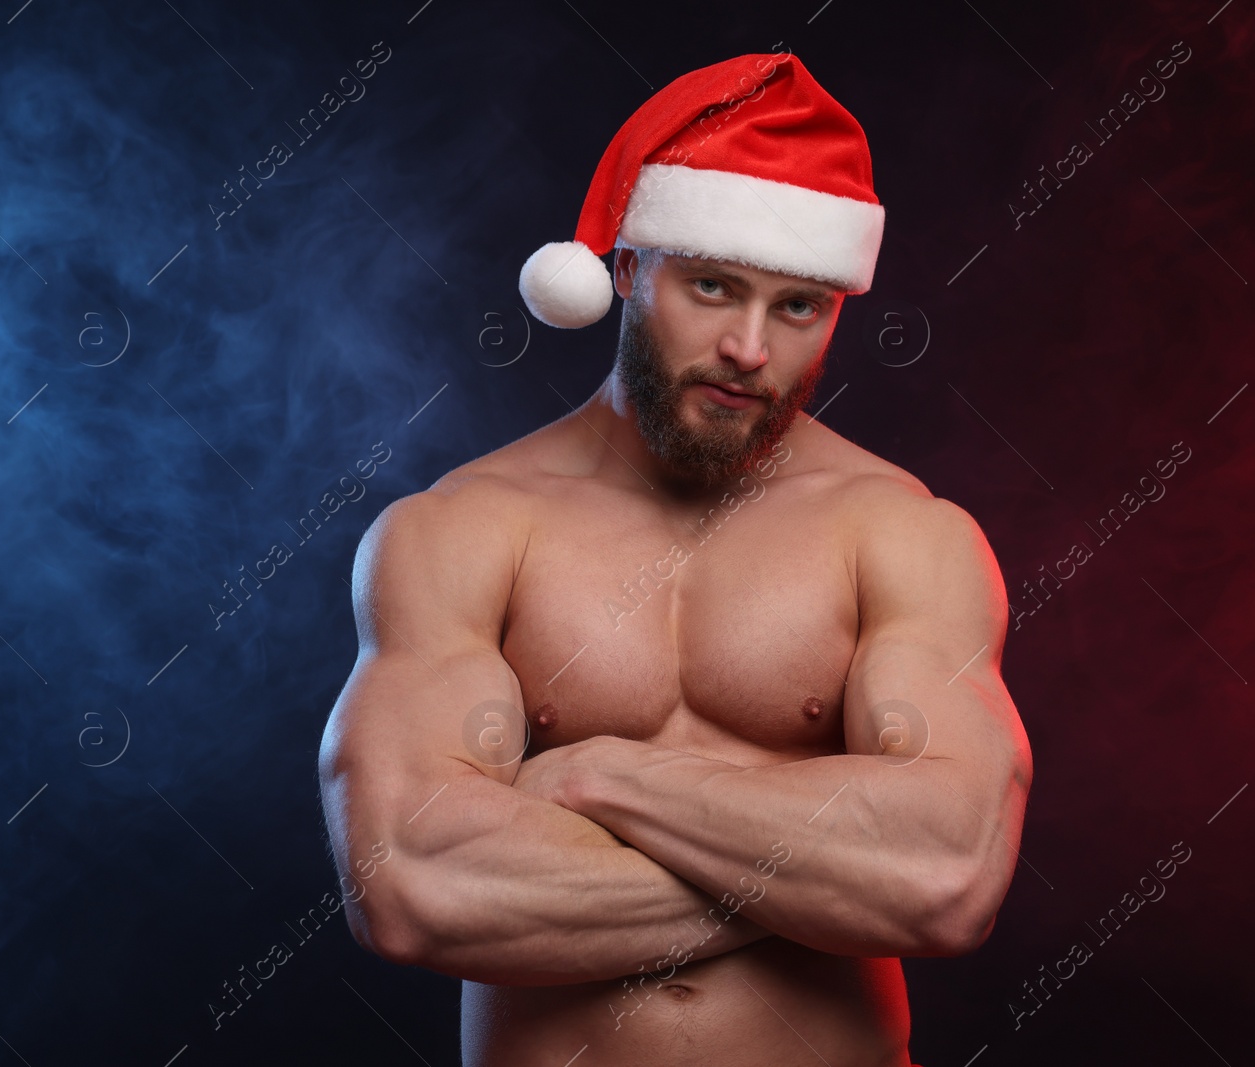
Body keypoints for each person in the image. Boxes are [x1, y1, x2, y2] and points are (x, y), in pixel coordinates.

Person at [318, 51, 1032, 1066]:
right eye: (712, 284)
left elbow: (945, 875)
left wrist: (598, 775)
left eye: (799, 306)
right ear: (623, 267)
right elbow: (409, 884)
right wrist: (824, 875)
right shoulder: (463, 528)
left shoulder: (903, 533)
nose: (749, 346)